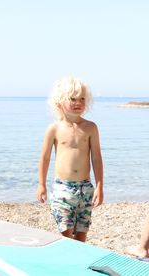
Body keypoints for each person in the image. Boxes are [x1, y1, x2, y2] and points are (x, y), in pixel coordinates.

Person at [36, 76, 103, 242]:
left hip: (85, 187)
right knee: (65, 230)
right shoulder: (54, 128)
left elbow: (96, 158)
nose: (78, 102)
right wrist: (41, 184)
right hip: (62, 187)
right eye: (72, 99)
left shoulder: (90, 128)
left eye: (82, 99)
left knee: (82, 231)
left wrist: (100, 186)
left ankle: (78, 261)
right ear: (59, 102)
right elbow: (45, 158)